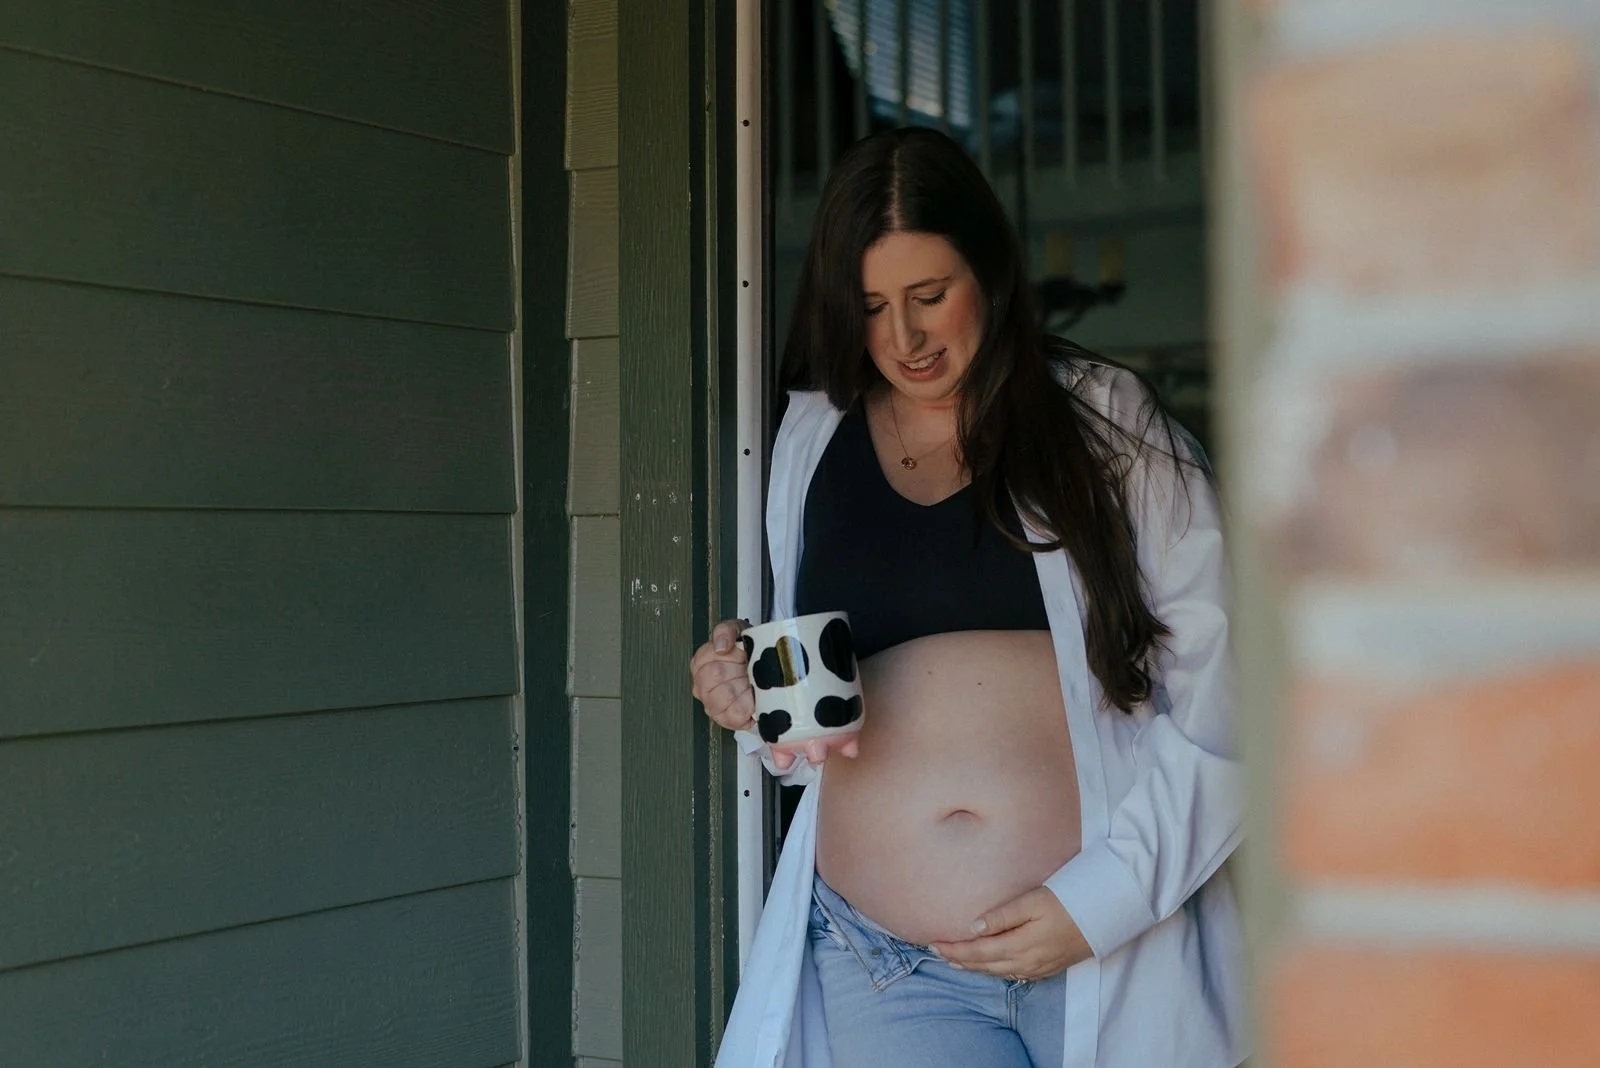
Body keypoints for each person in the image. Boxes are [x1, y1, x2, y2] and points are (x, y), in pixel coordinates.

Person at [690, 126, 1246, 1068]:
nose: (902, 338)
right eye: (870, 306)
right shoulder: (810, 442)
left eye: (929, 296)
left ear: (989, 272)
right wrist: (747, 702)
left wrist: (1098, 904)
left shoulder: (1107, 426)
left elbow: (1231, 695)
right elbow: (804, 742)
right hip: (887, 967)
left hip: (1109, 951)